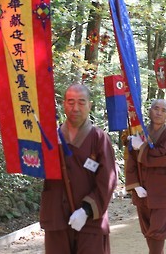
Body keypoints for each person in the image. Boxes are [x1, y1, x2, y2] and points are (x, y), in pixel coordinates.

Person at [39, 84, 117, 254]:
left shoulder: (98, 138)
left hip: (90, 221)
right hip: (57, 217)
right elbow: (37, 167)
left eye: (81, 102)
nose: (75, 108)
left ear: (90, 105)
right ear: (63, 104)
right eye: (70, 102)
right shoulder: (52, 136)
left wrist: (86, 210)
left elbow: (108, 181)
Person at [126, 99, 166, 253]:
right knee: (148, 230)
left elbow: (163, 157)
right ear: (150, 111)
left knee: (158, 231)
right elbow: (131, 161)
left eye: (163, 110)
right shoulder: (141, 132)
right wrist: (135, 185)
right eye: (156, 108)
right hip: (142, 188)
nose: (159, 112)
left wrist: (142, 147)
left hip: (162, 189)